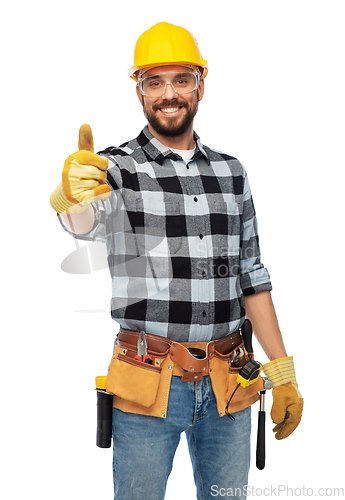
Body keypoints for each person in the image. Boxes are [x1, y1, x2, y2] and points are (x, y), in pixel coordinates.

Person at [50, 22, 303, 500]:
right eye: (154, 82)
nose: (169, 94)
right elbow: (85, 222)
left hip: (230, 383)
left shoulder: (231, 172)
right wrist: (70, 194)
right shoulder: (114, 168)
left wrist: (282, 370)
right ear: (139, 90)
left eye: (181, 80)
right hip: (148, 382)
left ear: (201, 84)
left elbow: (252, 276)